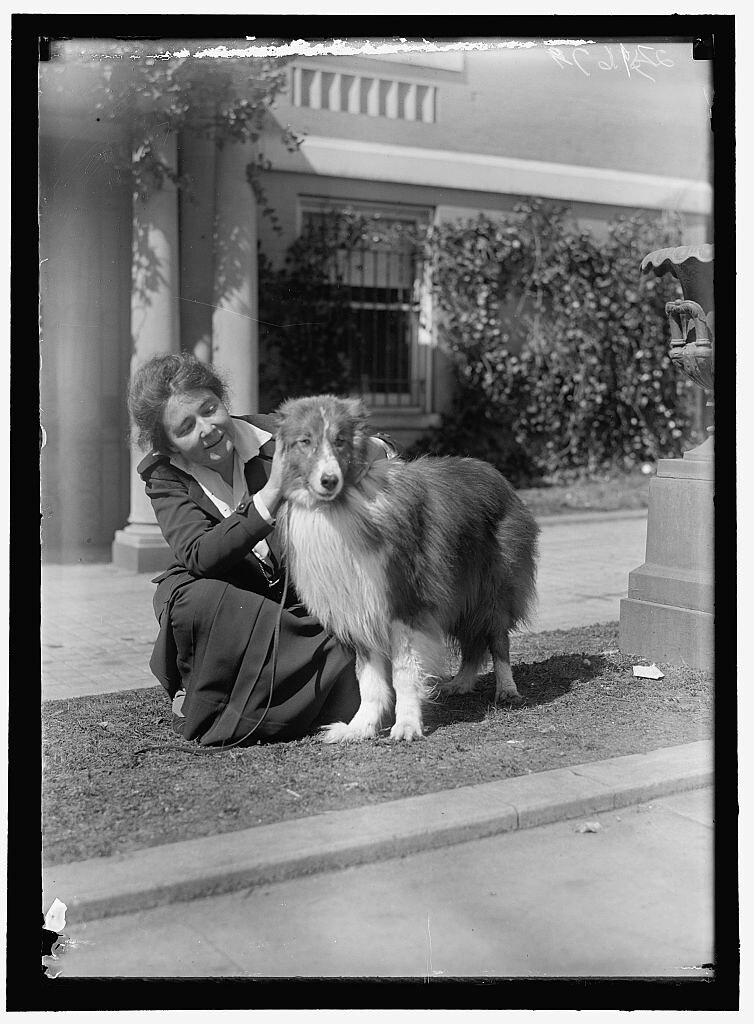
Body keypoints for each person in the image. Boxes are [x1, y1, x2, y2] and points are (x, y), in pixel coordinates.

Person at [128, 352, 395, 746]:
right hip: (233, 605)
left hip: (294, 605)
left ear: (223, 401)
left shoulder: (276, 433)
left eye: (209, 409)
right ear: (168, 442)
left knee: (350, 657)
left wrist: (366, 448)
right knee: (193, 598)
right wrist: (271, 494)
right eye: (185, 427)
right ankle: (226, 696)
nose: (207, 429)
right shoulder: (164, 475)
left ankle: (244, 700)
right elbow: (200, 555)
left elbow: (371, 443)